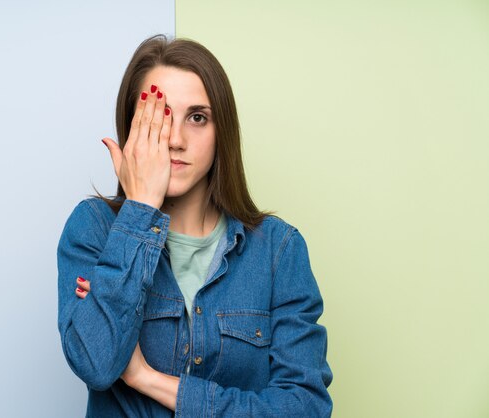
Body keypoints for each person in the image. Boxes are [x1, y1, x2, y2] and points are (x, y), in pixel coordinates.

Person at [57, 34, 333, 417]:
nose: (175, 140)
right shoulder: (94, 230)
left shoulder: (278, 249)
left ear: (223, 133)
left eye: (198, 118)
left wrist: (145, 378)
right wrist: (139, 210)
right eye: (159, 117)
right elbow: (96, 364)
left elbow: (304, 408)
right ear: (131, 126)